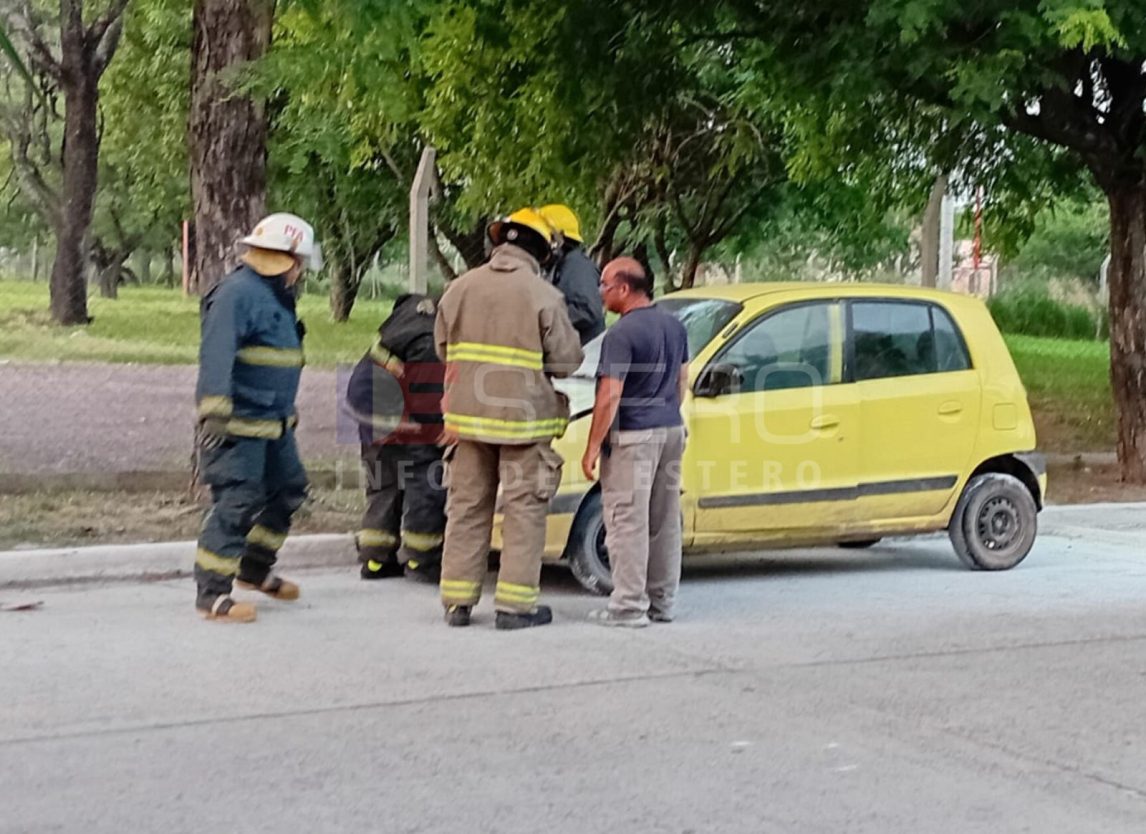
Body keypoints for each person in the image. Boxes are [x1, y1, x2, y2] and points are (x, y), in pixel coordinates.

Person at [434, 207, 584, 629]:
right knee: (523, 511)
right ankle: (515, 607)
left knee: (466, 507)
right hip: (523, 425)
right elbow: (567, 362)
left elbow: (444, 350)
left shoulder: (459, 287)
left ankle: (457, 603)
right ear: (542, 251)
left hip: (466, 421)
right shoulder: (543, 296)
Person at [193, 213, 321, 623]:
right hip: (239, 426)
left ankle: (255, 568)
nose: (300, 272)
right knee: (238, 501)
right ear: (288, 259)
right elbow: (216, 353)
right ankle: (211, 595)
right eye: (299, 263)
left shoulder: (275, 296)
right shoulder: (237, 294)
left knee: (289, 489)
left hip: (274, 423)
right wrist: (213, 411)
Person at [581, 257, 688, 627]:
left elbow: (610, 395)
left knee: (627, 520)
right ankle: (662, 604)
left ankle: (628, 607)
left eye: (606, 285)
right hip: (671, 429)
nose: (601, 291)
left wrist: (593, 446)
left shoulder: (621, 334)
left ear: (624, 289)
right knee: (664, 520)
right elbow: (682, 382)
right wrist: (666, 413)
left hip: (634, 436)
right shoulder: (675, 326)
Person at [344, 293, 447, 583]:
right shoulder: (431, 340)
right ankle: (422, 561)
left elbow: (400, 302)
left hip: (365, 397)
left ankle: (375, 560)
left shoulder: (417, 307)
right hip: (387, 405)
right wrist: (438, 436)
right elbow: (427, 408)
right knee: (424, 477)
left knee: (384, 479)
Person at [538, 203, 605, 345]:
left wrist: (542, 319)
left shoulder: (577, 267)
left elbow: (587, 311)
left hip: (581, 358)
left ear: (556, 239)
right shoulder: (560, 266)